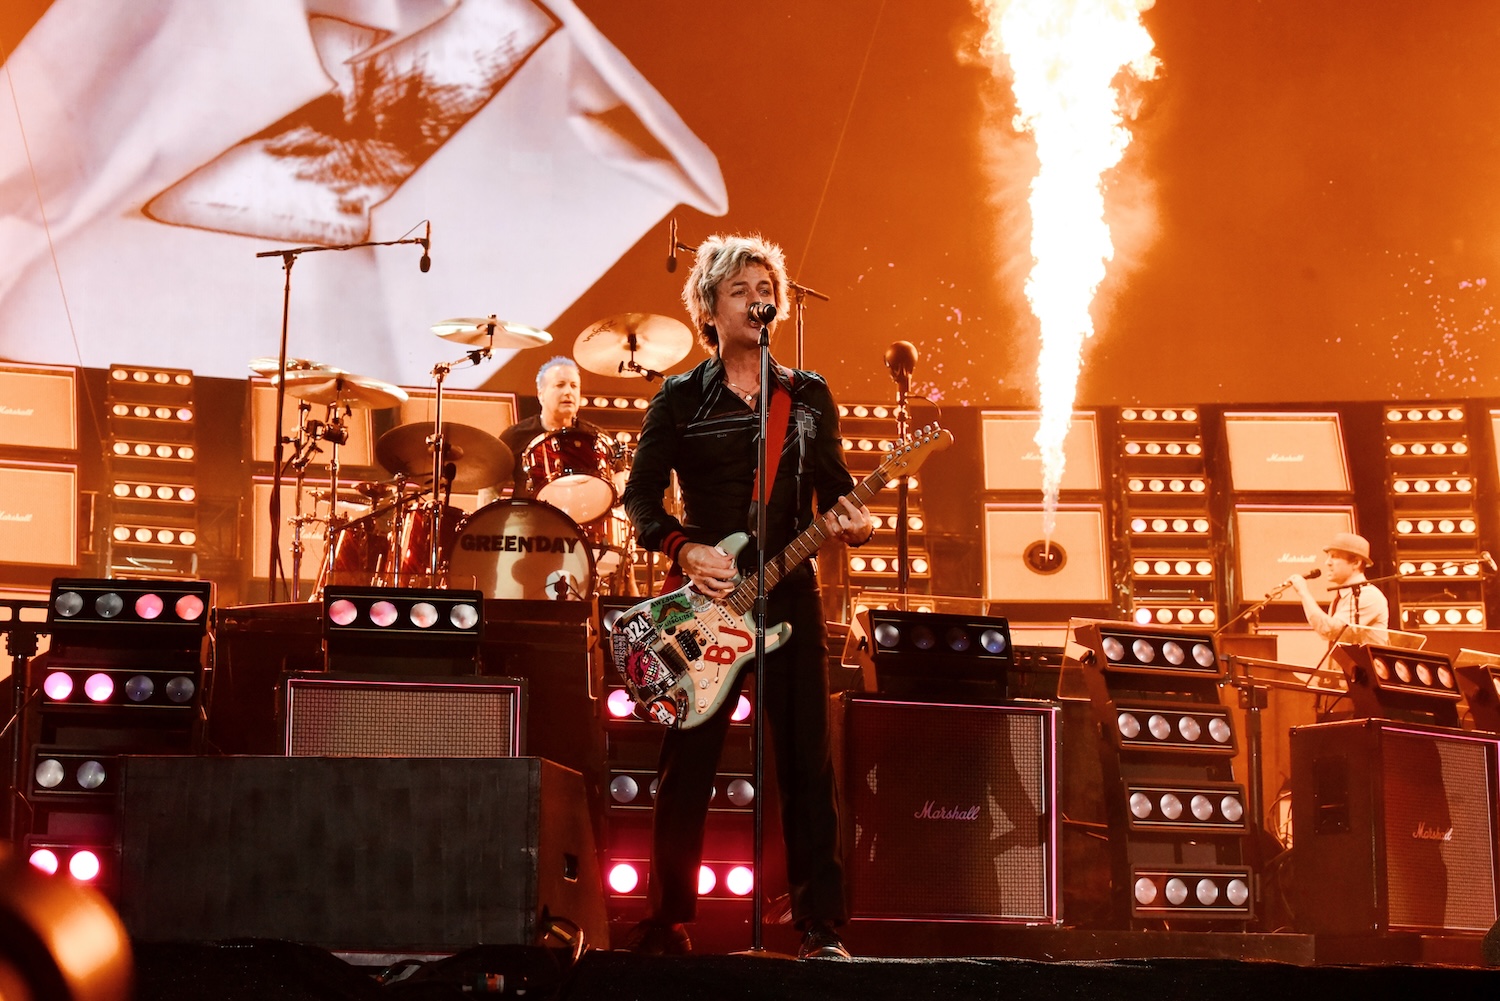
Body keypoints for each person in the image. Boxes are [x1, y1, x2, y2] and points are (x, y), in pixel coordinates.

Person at [619, 233, 873, 959]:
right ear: (710, 305)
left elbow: (838, 491)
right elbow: (640, 499)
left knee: (806, 763)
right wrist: (683, 547)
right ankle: (667, 920)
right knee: (687, 761)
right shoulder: (677, 398)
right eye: (741, 289)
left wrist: (855, 523)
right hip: (706, 605)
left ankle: (821, 928)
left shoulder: (809, 394)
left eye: (767, 287)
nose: (759, 298)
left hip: (790, 595)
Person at [482, 355, 603, 502]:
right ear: (541, 395)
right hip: (527, 521)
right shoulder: (515, 436)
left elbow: (619, 490)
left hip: (582, 521)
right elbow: (489, 489)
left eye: (574, 385)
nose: (568, 392)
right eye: (560, 385)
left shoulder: (596, 438)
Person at [1285, 531, 1390, 642]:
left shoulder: (1369, 596)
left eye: (1334, 557)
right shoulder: (1341, 598)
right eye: (1328, 556)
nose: (1327, 563)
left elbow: (1329, 630)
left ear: (1356, 563)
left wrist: (1304, 592)